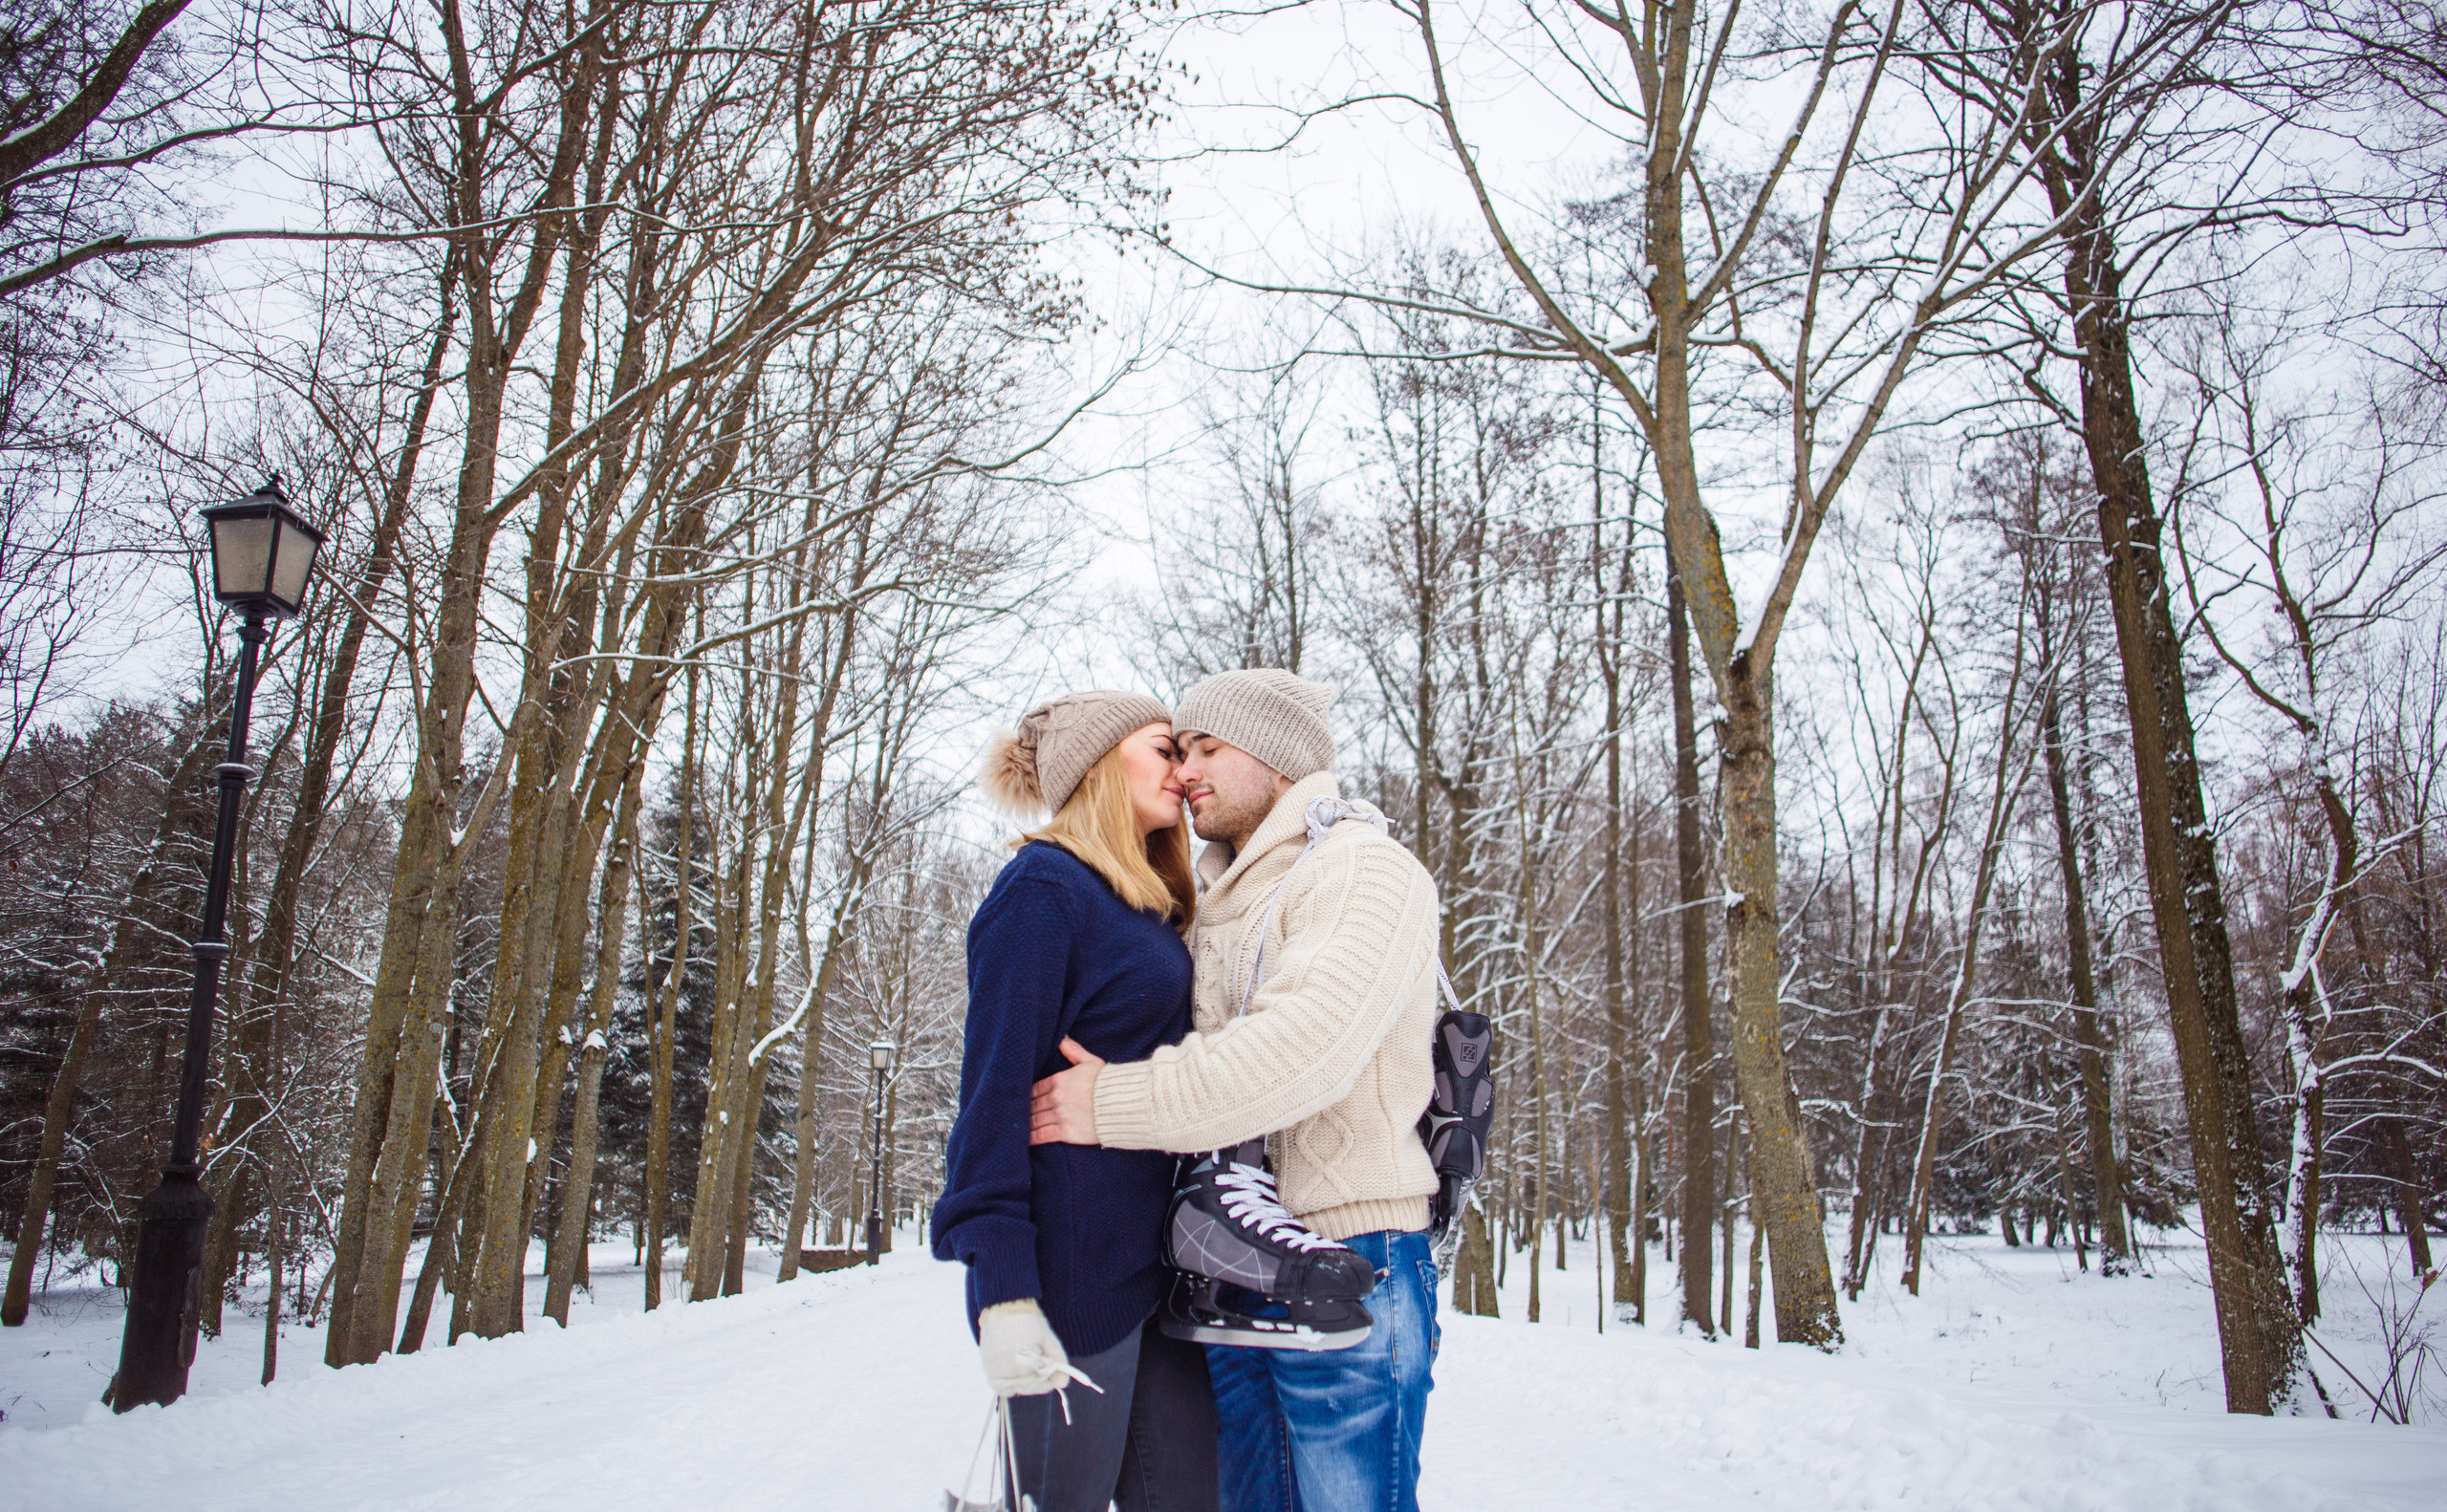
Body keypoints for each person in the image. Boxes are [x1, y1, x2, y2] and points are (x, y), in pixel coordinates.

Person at [1028, 669, 1443, 1512]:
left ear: (1277, 758)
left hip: (1349, 1252)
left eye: (1206, 749)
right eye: (1177, 752)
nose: (1184, 772)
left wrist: (1111, 1104)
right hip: (1232, 1267)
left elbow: (1301, 1051)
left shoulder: (1365, 870)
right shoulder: (1217, 900)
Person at [931, 690, 1220, 1512]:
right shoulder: (1042, 890)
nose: (1184, 768)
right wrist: (1004, 1295)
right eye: (1165, 748)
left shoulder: (1144, 905)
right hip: (1069, 1279)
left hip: (1159, 1271)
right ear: (1100, 761)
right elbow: (989, 1099)